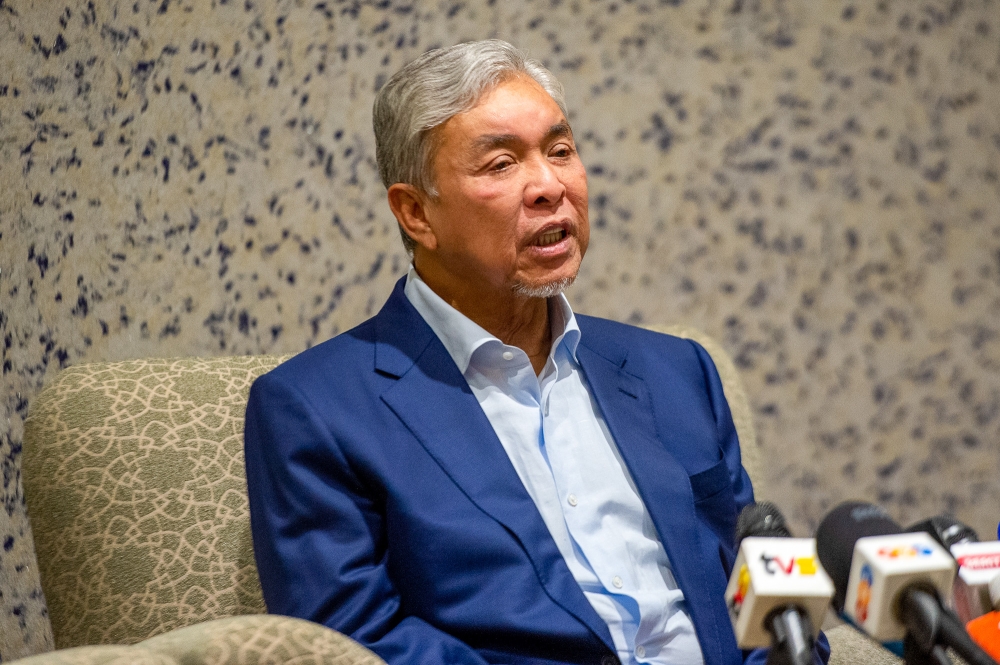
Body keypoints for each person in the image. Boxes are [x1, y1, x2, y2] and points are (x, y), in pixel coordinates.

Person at [244, 40, 830, 665]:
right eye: (500, 165)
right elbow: (350, 641)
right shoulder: (315, 409)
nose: (549, 185)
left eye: (560, 151)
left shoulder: (678, 372)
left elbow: (771, 593)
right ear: (415, 212)